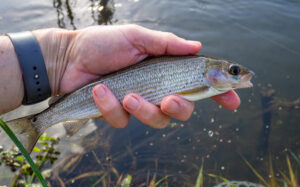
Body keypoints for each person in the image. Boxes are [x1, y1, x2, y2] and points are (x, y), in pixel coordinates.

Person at [0, 24, 240, 128]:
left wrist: (61, 58)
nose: (238, 75)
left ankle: (38, 122)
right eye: (233, 71)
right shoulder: (201, 75)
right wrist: (62, 56)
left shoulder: (204, 77)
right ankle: (37, 123)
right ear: (212, 69)